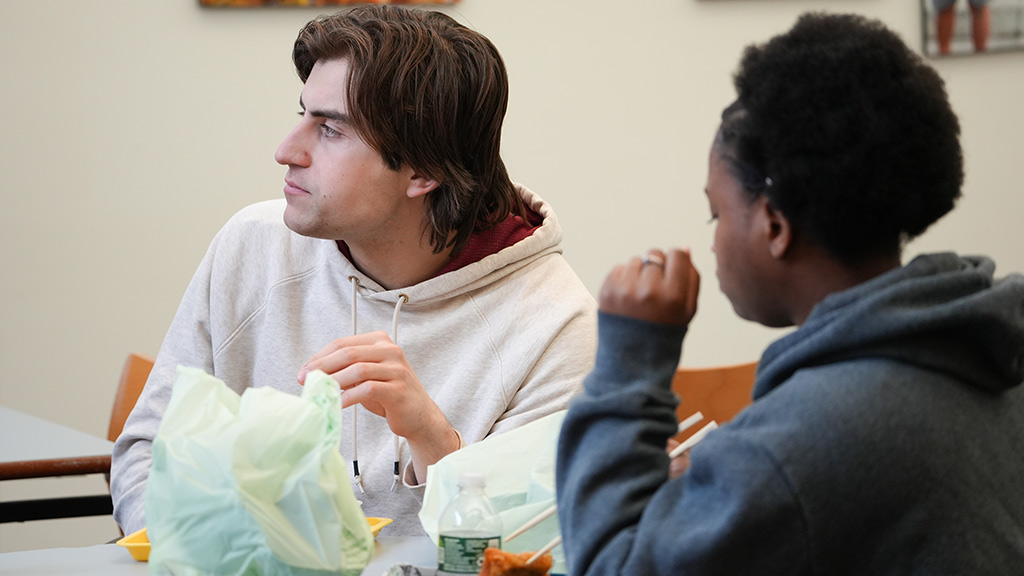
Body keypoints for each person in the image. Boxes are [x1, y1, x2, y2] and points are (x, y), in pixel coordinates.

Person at [556, 12, 1024, 574]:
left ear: (774, 225)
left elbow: (612, 565)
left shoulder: (806, 440)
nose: (714, 241)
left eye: (717, 213)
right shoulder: (980, 350)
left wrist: (630, 362)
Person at [112, 5, 597, 537]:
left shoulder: (556, 321)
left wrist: (433, 438)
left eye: (331, 131)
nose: (286, 151)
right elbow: (147, 454)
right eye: (303, 115)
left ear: (425, 171)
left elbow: (531, 543)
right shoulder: (252, 245)